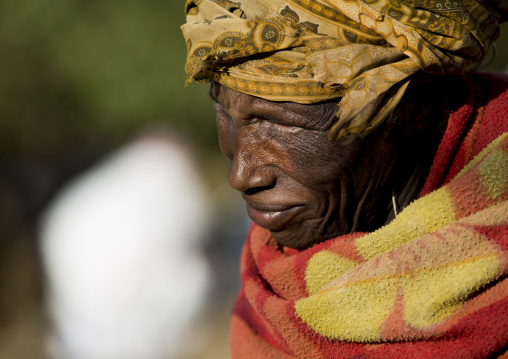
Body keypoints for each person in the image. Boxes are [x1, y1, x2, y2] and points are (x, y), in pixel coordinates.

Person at [181, 0, 508, 358]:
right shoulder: (269, 286)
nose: (240, 176)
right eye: (222, 110)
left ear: (414, 106)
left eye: (279, 122)